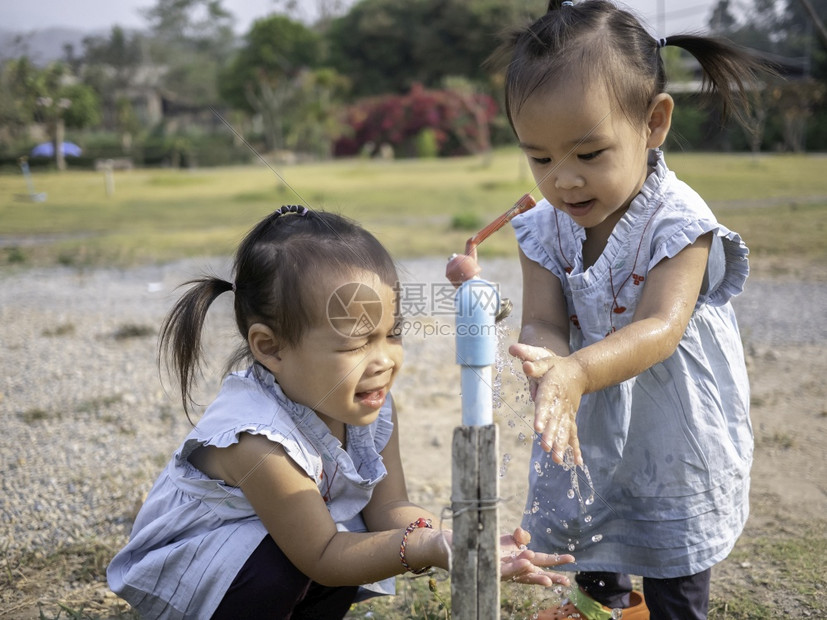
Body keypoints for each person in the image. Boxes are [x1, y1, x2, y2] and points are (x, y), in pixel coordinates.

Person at [446, 1, 770, 618]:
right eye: (540, 158)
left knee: (673, 567)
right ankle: (607, 608)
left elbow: (661, 326)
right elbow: (544, 318)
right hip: (586, 418)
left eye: (588, 154)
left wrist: (577, 374)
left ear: (654, 123)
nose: (563, 180)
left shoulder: (678, 222)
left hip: (672, 427)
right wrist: (548, 361)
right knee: (591, 554)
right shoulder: (545, 229)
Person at [107, 205, 574, 619]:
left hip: (281, 551)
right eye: (355, 344)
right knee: (313, 555)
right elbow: (323, 554)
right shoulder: (256, 440)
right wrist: (429, 548)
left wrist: (458, 540)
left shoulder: (367, 405)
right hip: (196, 575)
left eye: (392, 334)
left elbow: (388, 508)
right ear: (270, 348)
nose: (384, 361)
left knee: (360, 540)